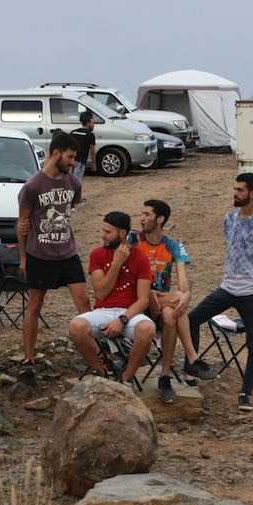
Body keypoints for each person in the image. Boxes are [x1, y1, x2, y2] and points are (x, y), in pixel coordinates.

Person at [187, 173, 253, 412]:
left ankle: (246, 392)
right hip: (227, 287)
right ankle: (191, 369)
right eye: (235, 189)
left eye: (240, 190)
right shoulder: (229, 219)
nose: (235, 194)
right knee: (191, 319)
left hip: (251, 292)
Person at [17, 131, 90, 379]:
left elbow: (69, 209)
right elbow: (22, 224)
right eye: (70, 157)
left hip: (67, 252)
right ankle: (28, 357)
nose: (73, 162)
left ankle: (94, 354)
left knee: (84, 301)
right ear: (56, 153)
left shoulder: (74, 183)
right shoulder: (32, 186)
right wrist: (23, 258)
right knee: (35, 304)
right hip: (40, 254)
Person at [68, 212, 156, 383]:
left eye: (108, 232)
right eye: (103, 230)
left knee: (147, 329)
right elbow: (101, 293)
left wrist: (122, 320)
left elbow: (143, 300)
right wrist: (117, 264)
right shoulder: (97, 254)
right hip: (103, 310)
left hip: (130, 313)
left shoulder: (140, 257)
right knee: (76, 327)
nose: (103, 236)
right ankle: (100, 371)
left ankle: (126, 378)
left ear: (122, 233)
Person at [136, 199, 209, 403]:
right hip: (137, 301)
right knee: (171, 303)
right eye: (142, 214)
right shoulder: (133, 241)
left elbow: (183, 279)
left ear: (160, 219)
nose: (141, 219)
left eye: (147, 215)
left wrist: (186, 294)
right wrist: (178, 296)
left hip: (161, 304)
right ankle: (191, 357)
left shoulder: (173, 245)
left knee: (171, 313)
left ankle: (165, 376)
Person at [70, 111, 97, 182]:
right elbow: (92, 151)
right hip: (80, 161)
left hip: (71, 160)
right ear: (88, 122)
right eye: (93, 123)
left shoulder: (73, 132)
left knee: (70, 180)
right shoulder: (90, 135)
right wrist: (94, 164)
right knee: (77, 182)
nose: (93, 125)